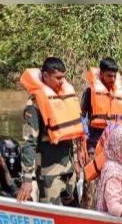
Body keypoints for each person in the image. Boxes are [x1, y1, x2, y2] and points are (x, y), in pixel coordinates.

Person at [17, 57, 83, 206]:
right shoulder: (33, 106)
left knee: (74, 211)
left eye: (63, 77)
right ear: (46, 76)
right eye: (58, 78)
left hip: (69, 170)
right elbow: (28, 143)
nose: (62, 81)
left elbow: (71, 133)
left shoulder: (65, 97)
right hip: (49, 173)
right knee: (51, 214)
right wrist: (27, 179)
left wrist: (76, 162)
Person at [82, 58, 122, 149]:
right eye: (109, 76)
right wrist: (84, 139)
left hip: (114, 142)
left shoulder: (119, 93)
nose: (112, 79)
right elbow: (82, 117)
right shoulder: (89, 92)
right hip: (94, 141)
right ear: (101, 74)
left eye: (114, 76)